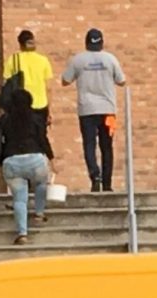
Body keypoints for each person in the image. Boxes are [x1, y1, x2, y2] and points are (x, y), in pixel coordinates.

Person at [61, 28, 126, 193]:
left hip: (86, 110)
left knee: (89, 145)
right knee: (107, 146)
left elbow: (65, 81)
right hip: (108, 110)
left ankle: (95, 177)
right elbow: (122, 81)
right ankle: (107, 182)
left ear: (86, 42)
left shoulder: (78, 60)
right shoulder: (110, 59)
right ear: (102, 42)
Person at [0, 88, 54, 245]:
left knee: (19, 199)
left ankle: (22, 233)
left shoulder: (5, 120)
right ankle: (39, 212)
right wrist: (51, 158)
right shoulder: (36, 118)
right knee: (41, 183)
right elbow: (42, 139)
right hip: (35, 159)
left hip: (12, 161)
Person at [3, 29, 54, 128]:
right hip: (40, 105)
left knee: (21, 136)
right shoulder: (43, 61)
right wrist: (49, 110)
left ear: (20, 44)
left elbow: (6, 85)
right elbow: (49, 88)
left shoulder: (12, 60)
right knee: (39, 136)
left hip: (20, 105)